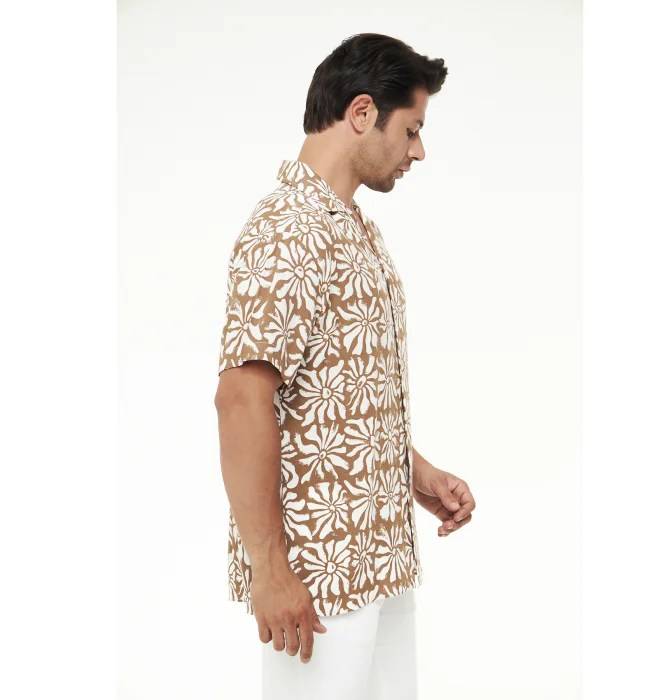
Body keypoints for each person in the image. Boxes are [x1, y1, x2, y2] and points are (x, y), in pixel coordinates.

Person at [214, 32, 476, 700]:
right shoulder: (290, 228)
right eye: (411, 130)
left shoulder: (351, 228)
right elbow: (241, 399)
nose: (418, 151)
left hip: (380, 565)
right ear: (363, 113)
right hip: (320, 579)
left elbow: (332, 396)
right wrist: (271, 572)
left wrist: (413, 470)